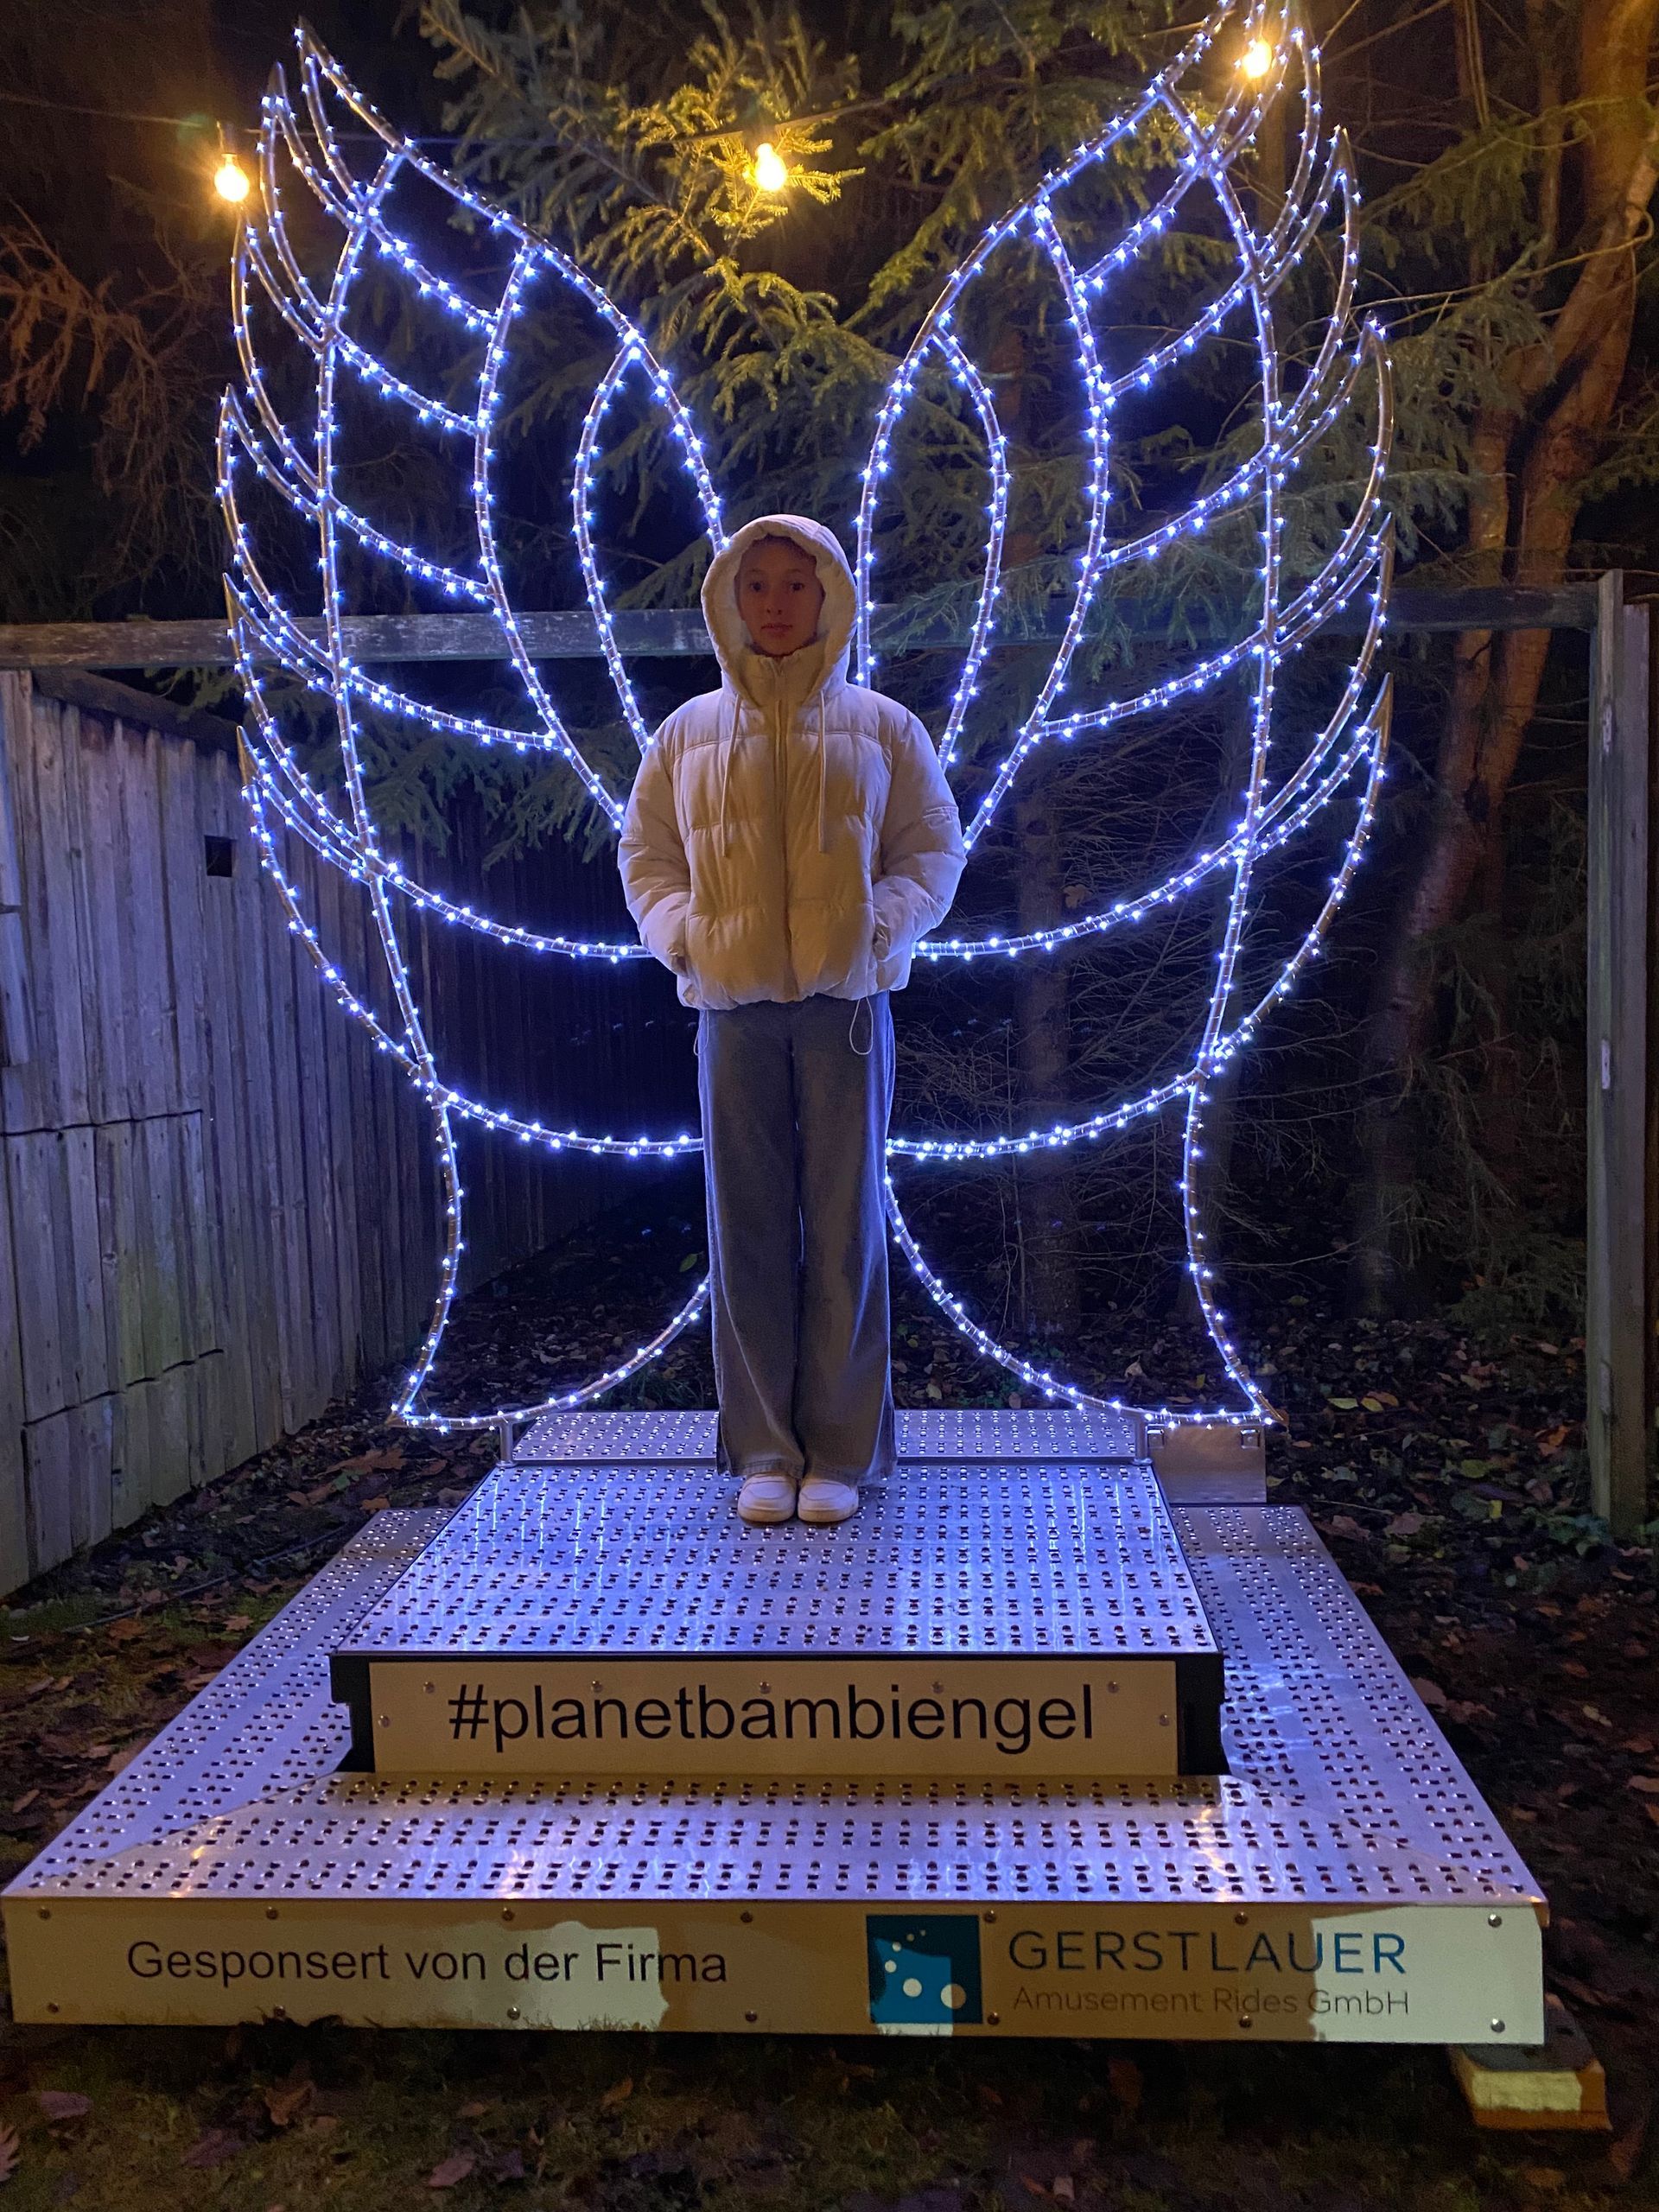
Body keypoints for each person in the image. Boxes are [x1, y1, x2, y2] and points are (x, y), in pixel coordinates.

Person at [620, 516, 966, 1526]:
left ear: (831, 597)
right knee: (747, 1227)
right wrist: (686, 938)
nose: (775, 602)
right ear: (730, 599)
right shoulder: (685, 734)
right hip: (731, 1011)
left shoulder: (886, 727)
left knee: (847, 1226)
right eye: (757, 583)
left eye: (796, 583)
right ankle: (765, 1450)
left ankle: (842, 1454)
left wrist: (876, 928)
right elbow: (647, 856)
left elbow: (932, 850)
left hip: (846, 1010)